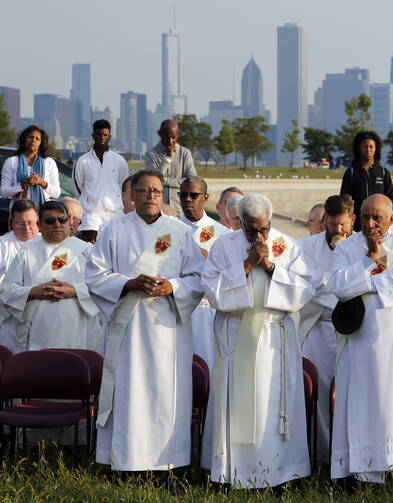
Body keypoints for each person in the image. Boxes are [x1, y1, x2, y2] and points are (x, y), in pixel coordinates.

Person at [85, 169, 204, 476]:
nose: (151, 195)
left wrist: (173, 287)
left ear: (162, 196)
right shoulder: (113, 230)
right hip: (129, 331)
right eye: (144, 190)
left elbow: (199, 278)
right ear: (131, 195)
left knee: (167, 394)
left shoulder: (179, 232)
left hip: (168, 330)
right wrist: (128, 283)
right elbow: (95, 276)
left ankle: (169, 464)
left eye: (156, 191)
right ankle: (126, 462)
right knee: (130, 393)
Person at [201, 194, 313, 488]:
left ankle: (280, 472)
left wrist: (273, 268)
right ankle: (234, 472)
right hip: (237, 335)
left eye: (264, 228)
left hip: (276, 337)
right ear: (240, 223)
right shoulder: (224, 245)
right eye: (251, 230)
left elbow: (305, 289)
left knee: (274, 402)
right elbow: (211, 290)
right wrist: (246, 266)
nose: (259, 235)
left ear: (270, 221)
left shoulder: (288, 244)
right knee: (239, 402)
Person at [328, 194, 393, 482]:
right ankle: (362, 471)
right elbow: (338, 286)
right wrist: (369, 260)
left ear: (390, 219)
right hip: (361, 338)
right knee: (363, 400)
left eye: (377, 218)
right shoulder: (347, 247)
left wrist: (363, 283)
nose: (370, 223)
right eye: (364, 217)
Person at [294, 194, 354, 462]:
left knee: (347, 395)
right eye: (332, 225)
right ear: (324, 221)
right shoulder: (305, 246)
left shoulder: (359, 246)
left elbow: (357, 286)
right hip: (316, 329)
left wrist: (328, 284)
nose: (337, 231)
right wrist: (337, 284)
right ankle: (319, 457)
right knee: (316, 394)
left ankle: (346, 459)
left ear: (352, 220)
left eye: (343, 225)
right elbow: (303, 285)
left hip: (350, 331)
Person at [0, 200, 101, 353]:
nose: (57, 224)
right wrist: (33, 292)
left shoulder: (86, 250)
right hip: (37, 334)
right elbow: (5, 290)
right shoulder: (27, 251)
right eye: (50, 221)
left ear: (69, 223)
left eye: (62, 220)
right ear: (40, 225)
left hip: (76, 334)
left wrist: (74, 291)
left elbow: (102, 286)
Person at [178, 176, 228, 371]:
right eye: (183, 195)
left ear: (205, 198)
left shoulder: (222, 234)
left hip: (208, 310)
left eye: (194, 195)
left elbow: (231, 275)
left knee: (207, 367)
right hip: (179, 310)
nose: (188, 200)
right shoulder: (169, 230)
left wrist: (208, 260)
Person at [72, 119, 129, 242]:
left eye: (105, 135)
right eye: (99, 134)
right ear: (93, 135)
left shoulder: (119, 160)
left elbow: (125, 188)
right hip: (90, 219)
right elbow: (77, 191)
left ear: (110, 136)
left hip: (115, 217)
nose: (102, 137)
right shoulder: (83, 161)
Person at [0, 200, 40, 352]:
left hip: (40, 317)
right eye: (20, 223)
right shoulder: (3, 245)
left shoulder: (47, 243)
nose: (27, 228)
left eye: (30, 222)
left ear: (38, 220)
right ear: (12, 223)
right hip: (10, 318)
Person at [339, 131, 393, 232]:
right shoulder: (351, 172)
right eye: (364, 147)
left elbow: (390, 200)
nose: (368, 150)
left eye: (371, 146)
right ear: (359, 149)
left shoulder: (383, 173)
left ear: (376, 148)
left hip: (379, 226)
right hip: (357, 227)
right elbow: (344, 200)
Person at [144, 119, 197, 217]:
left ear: (178, 134)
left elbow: (192, 181)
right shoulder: (150, 155)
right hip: (159, 213)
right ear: (160, 134)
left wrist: (166, 181)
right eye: (167, 137)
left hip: (181, 211)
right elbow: (153, 181)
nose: (170, 141)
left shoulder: (185, 153)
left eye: (174, 137)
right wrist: (167, 159)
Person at [0, 125, 61, 208]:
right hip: (18, 212)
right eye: (30, 137)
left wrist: (41, 182)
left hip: (42, 212)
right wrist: (23, 186)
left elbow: (57, 193)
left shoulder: (49, 162)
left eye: (37, 138)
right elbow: (3, 192)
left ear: (41, 143)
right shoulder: (12, 162)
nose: (33, 140)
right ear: (24, 139)